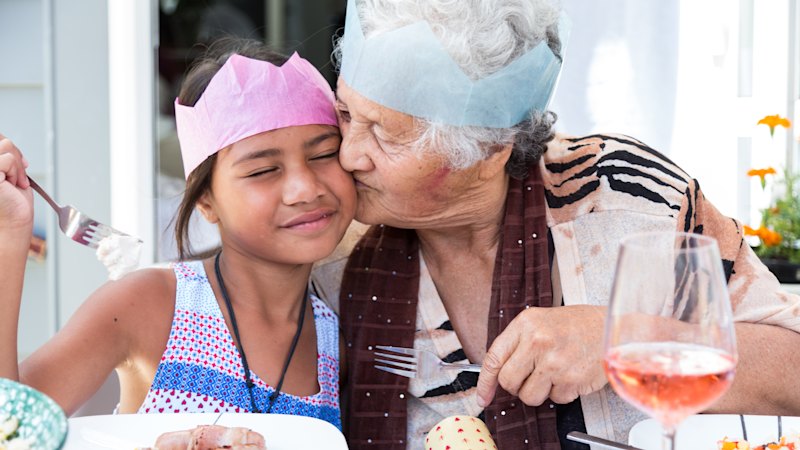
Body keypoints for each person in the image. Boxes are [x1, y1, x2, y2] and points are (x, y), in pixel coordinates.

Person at [310, 0, 800, 448]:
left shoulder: (629, 199)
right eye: (347, 114)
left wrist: (621, 341)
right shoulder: (328, 246)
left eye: (385, 136)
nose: (348, 155)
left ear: (488, 150)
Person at [0, 38, 355, 430]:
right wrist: (9, 235)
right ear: (205, 200)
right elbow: (12, 429)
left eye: (324, 154)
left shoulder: (334, 340)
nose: (305, 189)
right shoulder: (150, 304)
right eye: (262, 171)